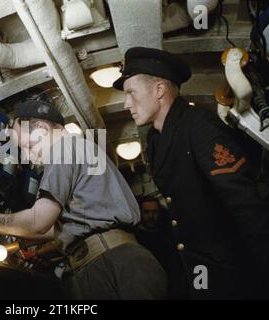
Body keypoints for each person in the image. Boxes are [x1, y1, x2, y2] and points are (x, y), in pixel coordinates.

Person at [113, 46, 269, 299]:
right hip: (197, 273)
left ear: (159, 89)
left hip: (230, 276)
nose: (126, 103)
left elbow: (246, 206)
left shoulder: (199, 126)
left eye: (131, 92)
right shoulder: (156, 140)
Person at [0, 99, 167, 299]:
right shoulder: (81, 149)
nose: (28, 156)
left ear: (41, 128)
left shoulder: (64, 149)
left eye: (27, 146)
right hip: (119, 261)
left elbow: (40, 221)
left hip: (111, 266)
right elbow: (59, 227)